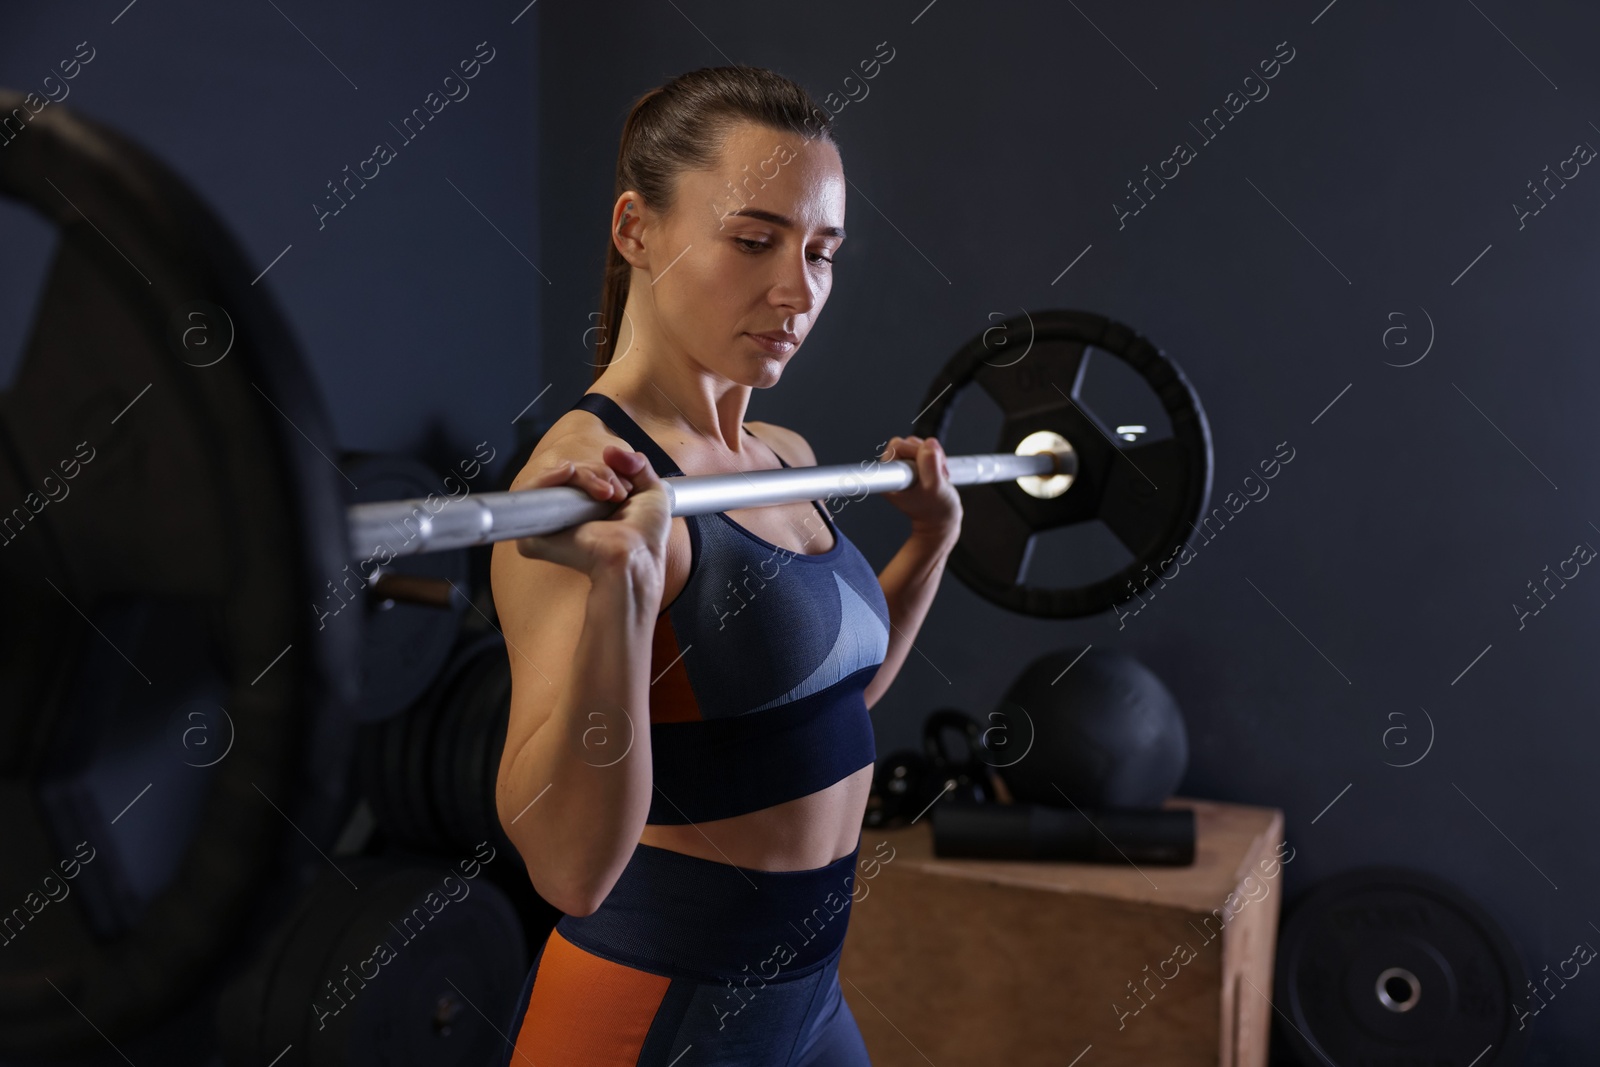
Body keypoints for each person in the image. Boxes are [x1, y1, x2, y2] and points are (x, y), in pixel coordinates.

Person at [489, 64, 961, 1066]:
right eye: (754, 240)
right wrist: (621, 591)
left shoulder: (782, 454)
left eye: (821, 252)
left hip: (808, 1000)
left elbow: (822, 708)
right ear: (636, 229)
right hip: (653, 1014)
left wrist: (927, 544)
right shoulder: (579, 489)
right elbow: (569, 870)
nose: (797, 290)